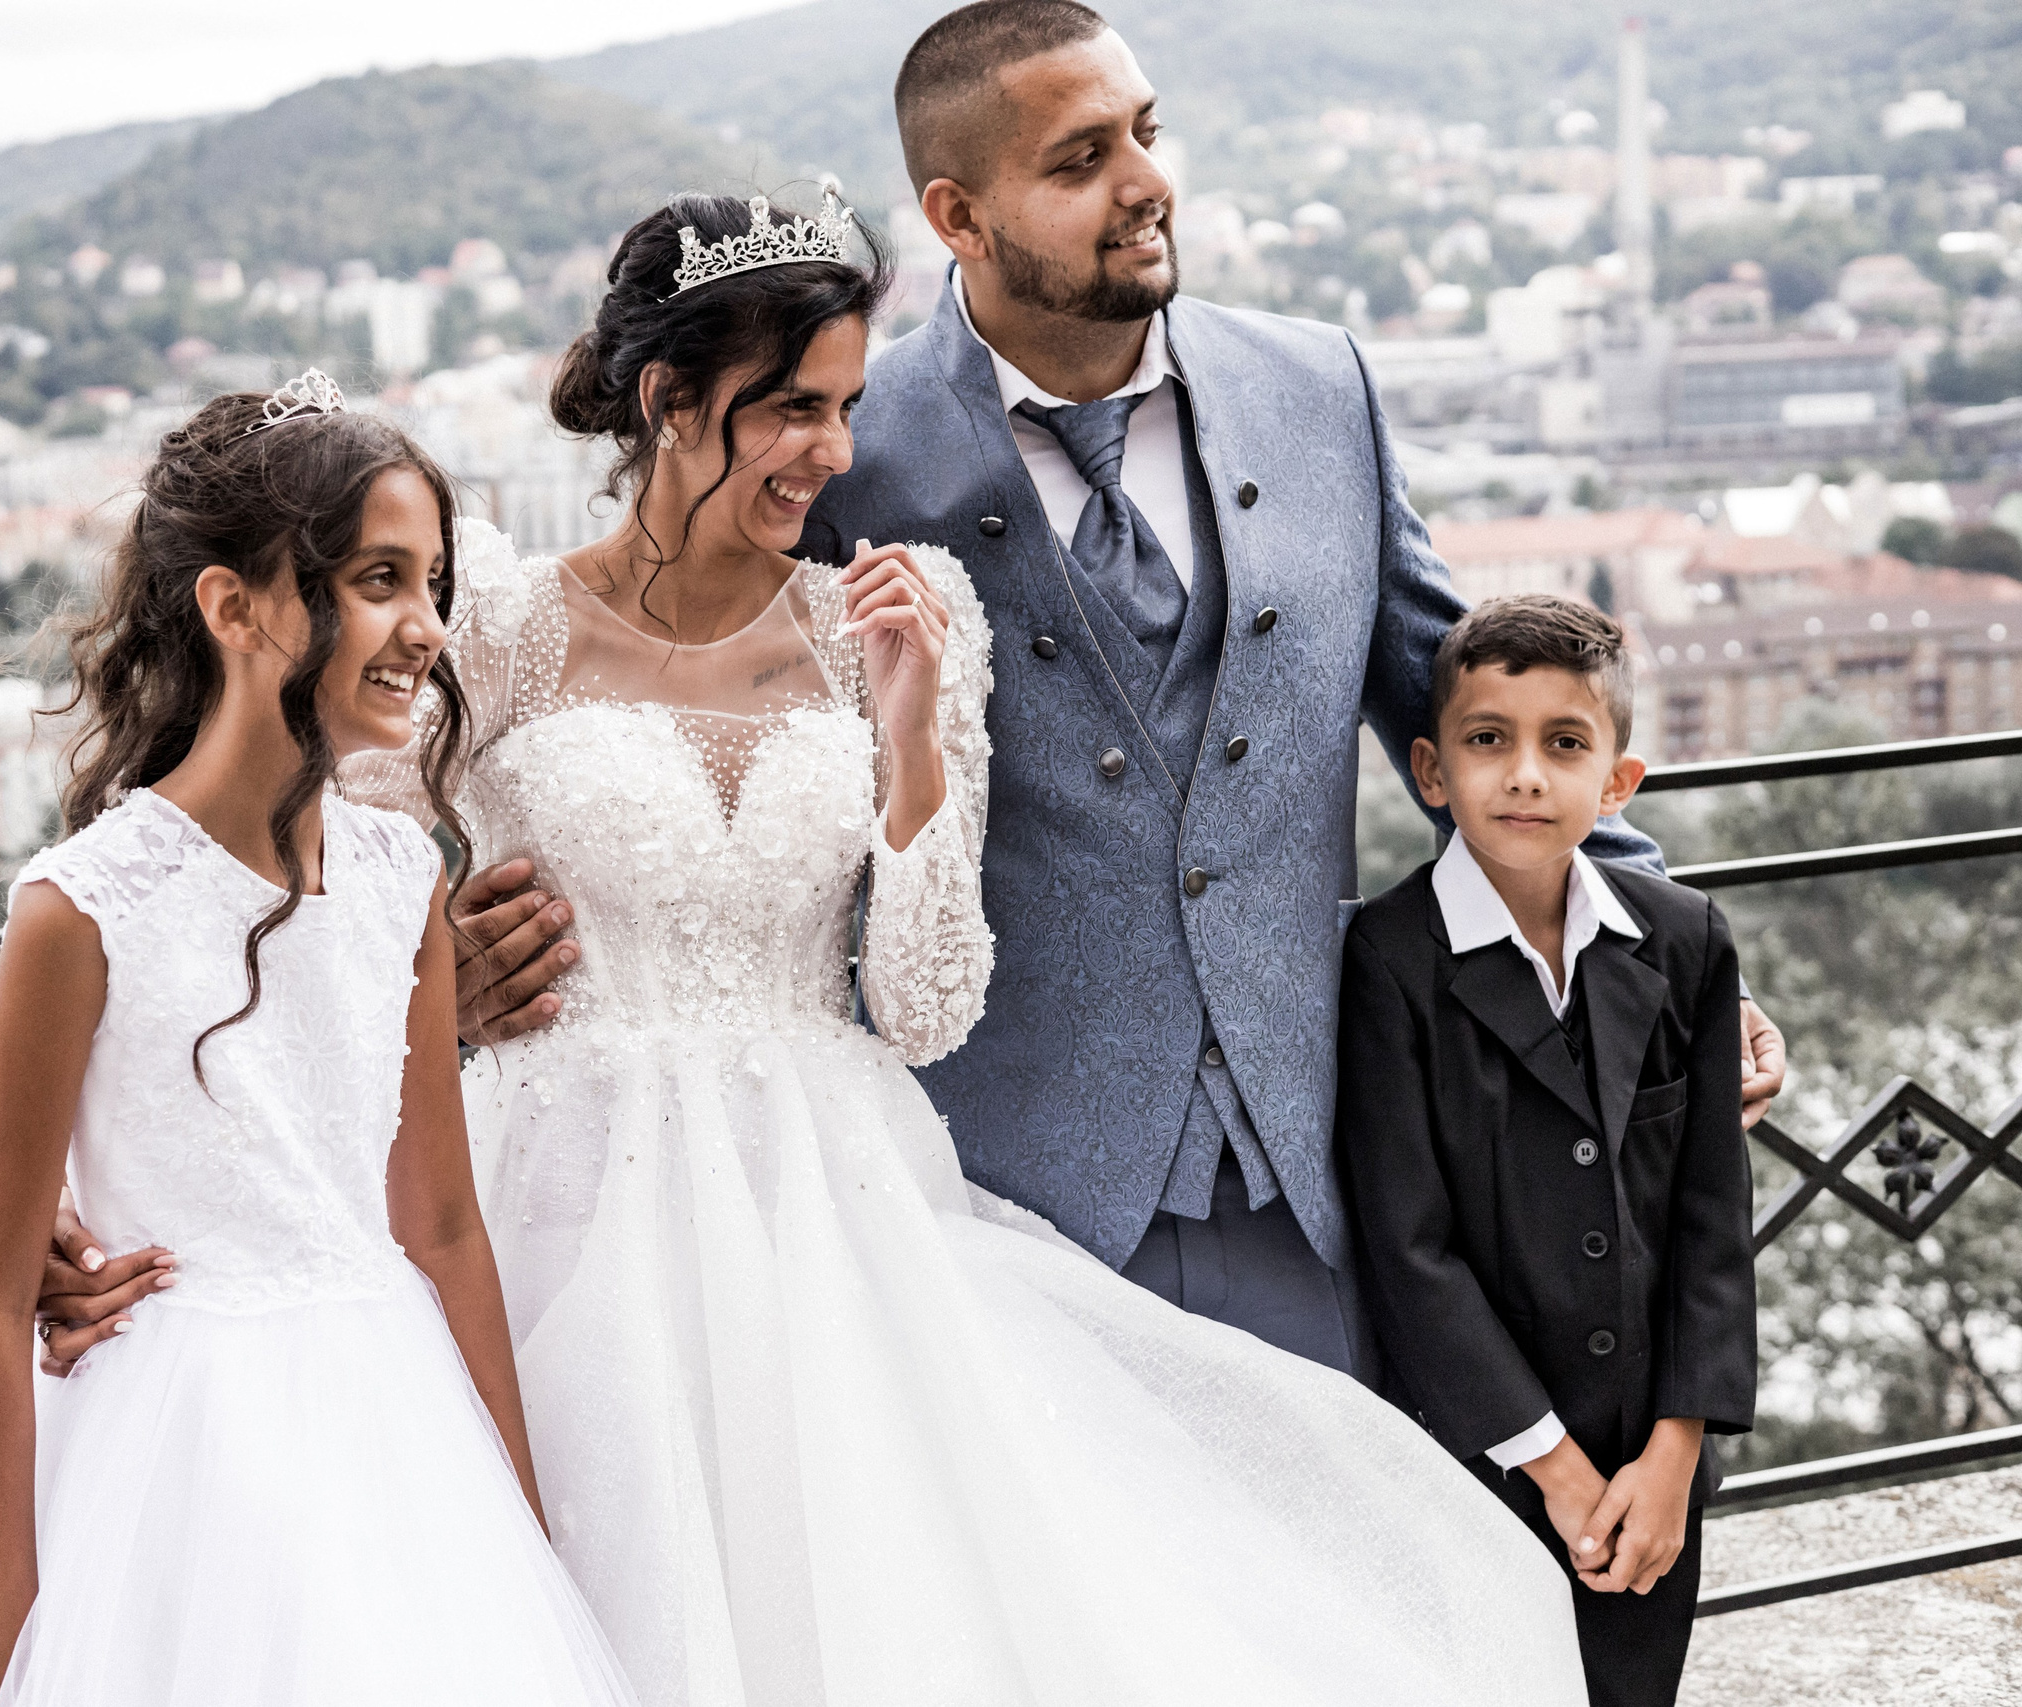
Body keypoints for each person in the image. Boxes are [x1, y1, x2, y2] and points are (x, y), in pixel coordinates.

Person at [356, 0, 1784, 1385]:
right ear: (958, 217)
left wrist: (1654, 966)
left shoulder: (1318, 388)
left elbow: (1475, 716)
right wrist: (451, 981)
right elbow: (659, 713)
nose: (1145, 183)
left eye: (1144, 133)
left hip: (1334, 1158)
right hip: (996, 1190)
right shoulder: (852, 454)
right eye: (1080, 159)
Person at [302, 189, 1581, 1705]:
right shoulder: (498, 625)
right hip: (558, 1201)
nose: (833, 454)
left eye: (844, 406)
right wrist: (436, 971)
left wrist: (912, 742)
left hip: (827, 1203)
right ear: (666, 402)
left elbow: (919, 1002)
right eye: (788, 410)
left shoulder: (892, 624)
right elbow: (327, 898)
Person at [0, 379, 636, 1707]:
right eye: (379, 580)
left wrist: (517, 1523)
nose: (425, 626)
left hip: (391, 1432)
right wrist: (14, 1655)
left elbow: (444, 1225)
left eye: (434, 581)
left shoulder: (404, 872)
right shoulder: (83, 910)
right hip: (161, 1449)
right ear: (236, 608)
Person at [1335, 596, 1758, 1707]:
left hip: (1648, 1468)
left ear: (1617, 784)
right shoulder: (1384, 960)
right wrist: (1556, 1474)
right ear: (1429, 771)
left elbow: (1714, 1220)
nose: (1523, 774)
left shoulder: (1686, 943)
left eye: (1563, 744)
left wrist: (1673, 1456)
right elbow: (1408, 1248)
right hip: (1479, 1458)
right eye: (1488, 740)